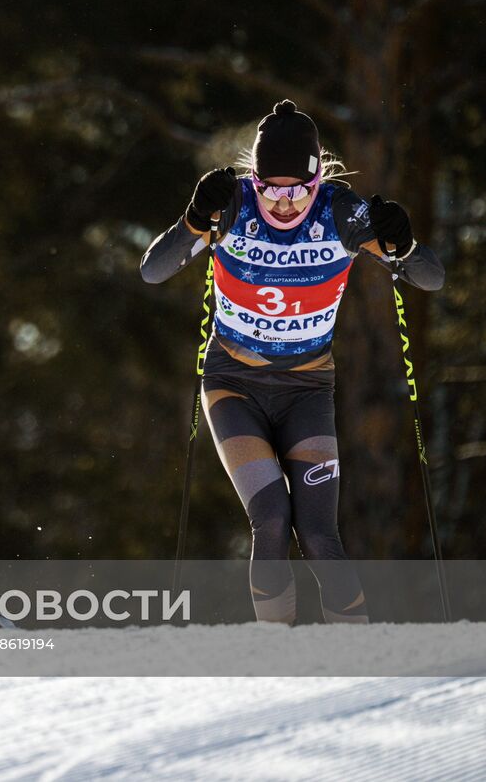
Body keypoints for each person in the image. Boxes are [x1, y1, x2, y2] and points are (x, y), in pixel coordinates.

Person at [141, 101, 444, 624]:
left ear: (318, 178)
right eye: (271, 189)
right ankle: (276, 659)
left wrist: (405, 242)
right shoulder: (231, 205)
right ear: (254, 181)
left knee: (321, 534)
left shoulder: (342, 214)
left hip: (306, 390)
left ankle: (354, 661)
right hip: (234, 384)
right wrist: (193, 220)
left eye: (297, 189)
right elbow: (153, 271)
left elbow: (430, 278)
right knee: (272, 519)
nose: (284, 204)